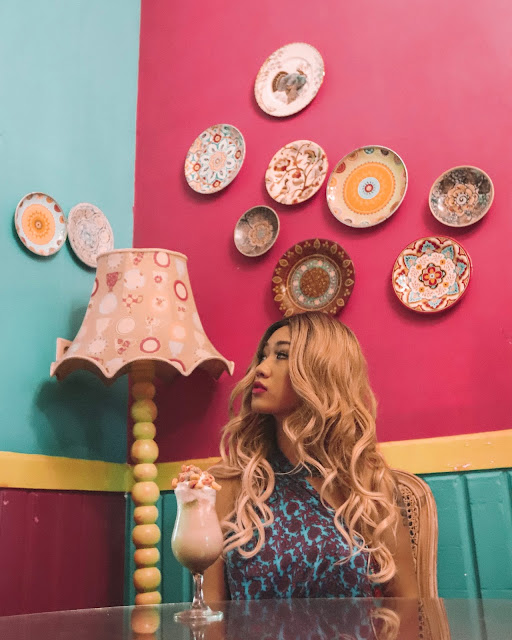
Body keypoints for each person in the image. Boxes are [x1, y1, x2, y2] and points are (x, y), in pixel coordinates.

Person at [204, 311, 418, 601]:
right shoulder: (229, 483)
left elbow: (406, 601)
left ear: (321, 371)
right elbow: (211, 609)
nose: (260, 369)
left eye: (281, 355)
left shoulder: (366, 482)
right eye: (263, 356)